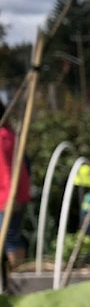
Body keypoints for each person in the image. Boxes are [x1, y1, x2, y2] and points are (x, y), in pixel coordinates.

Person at [0, 99, 30, 269]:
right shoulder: (8, 133)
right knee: (11, 235)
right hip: (11, 195)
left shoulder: (2, 137)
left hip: (7, 197)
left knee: (9, 237)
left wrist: (10, 198)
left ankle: (15, 275)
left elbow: (6, 170)